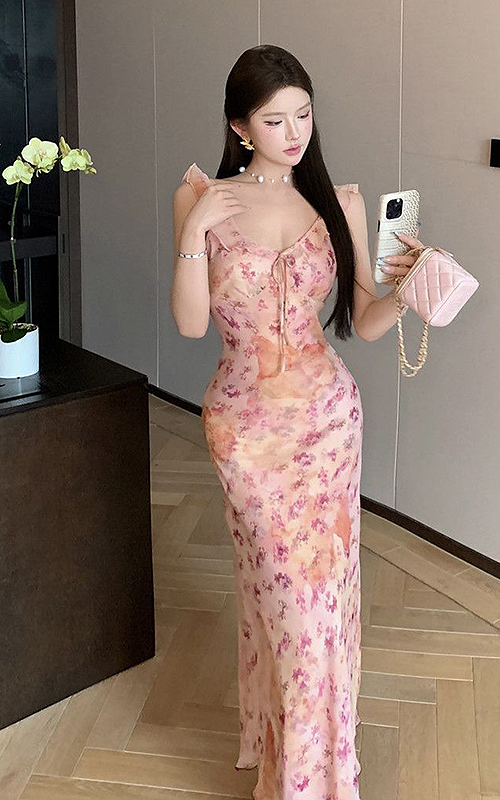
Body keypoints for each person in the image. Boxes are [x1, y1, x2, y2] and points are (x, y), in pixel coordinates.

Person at [171, 44, 429, 800]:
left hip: (329, 423)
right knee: (283, 597)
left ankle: (311, 776)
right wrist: (193, 233)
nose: (294, 133)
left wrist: (413, 289)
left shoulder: (337, 203)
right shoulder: (201, 197)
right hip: (246, 431)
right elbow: (190, 324)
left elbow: (365, 322)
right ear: (240, 127)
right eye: (275, 120)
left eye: (304, 115)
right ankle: (297, 765)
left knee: (319, 603)